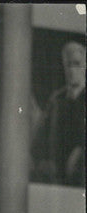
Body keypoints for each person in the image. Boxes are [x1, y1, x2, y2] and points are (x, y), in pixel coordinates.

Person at [34, 40, 86, 187]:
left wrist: (81, 153)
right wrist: (42, 160)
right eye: (68, 64)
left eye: (76, 64)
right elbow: (40, 136)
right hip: (56, 178)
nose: (71, 70)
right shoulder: (56, 100)